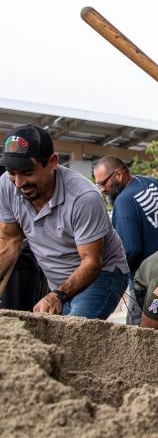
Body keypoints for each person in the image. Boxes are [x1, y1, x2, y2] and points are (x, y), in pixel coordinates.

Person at [0, 125, 128, 319]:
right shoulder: (6, 185)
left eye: (27, 172)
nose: (18, 183)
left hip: (102, 274)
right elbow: (10, 241)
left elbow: (92, 262)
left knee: (74, 332)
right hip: (58, 280)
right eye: (12, 172)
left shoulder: (83, 197)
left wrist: (58, 295)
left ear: (52, 162)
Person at [92, 155, 158, 325]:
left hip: (145, 282)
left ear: (118, 174)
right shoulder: (151, 182)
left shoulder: (124, 201)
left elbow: (129, 250)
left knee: (138, 331)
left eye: (103, 183)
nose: (102, 189)